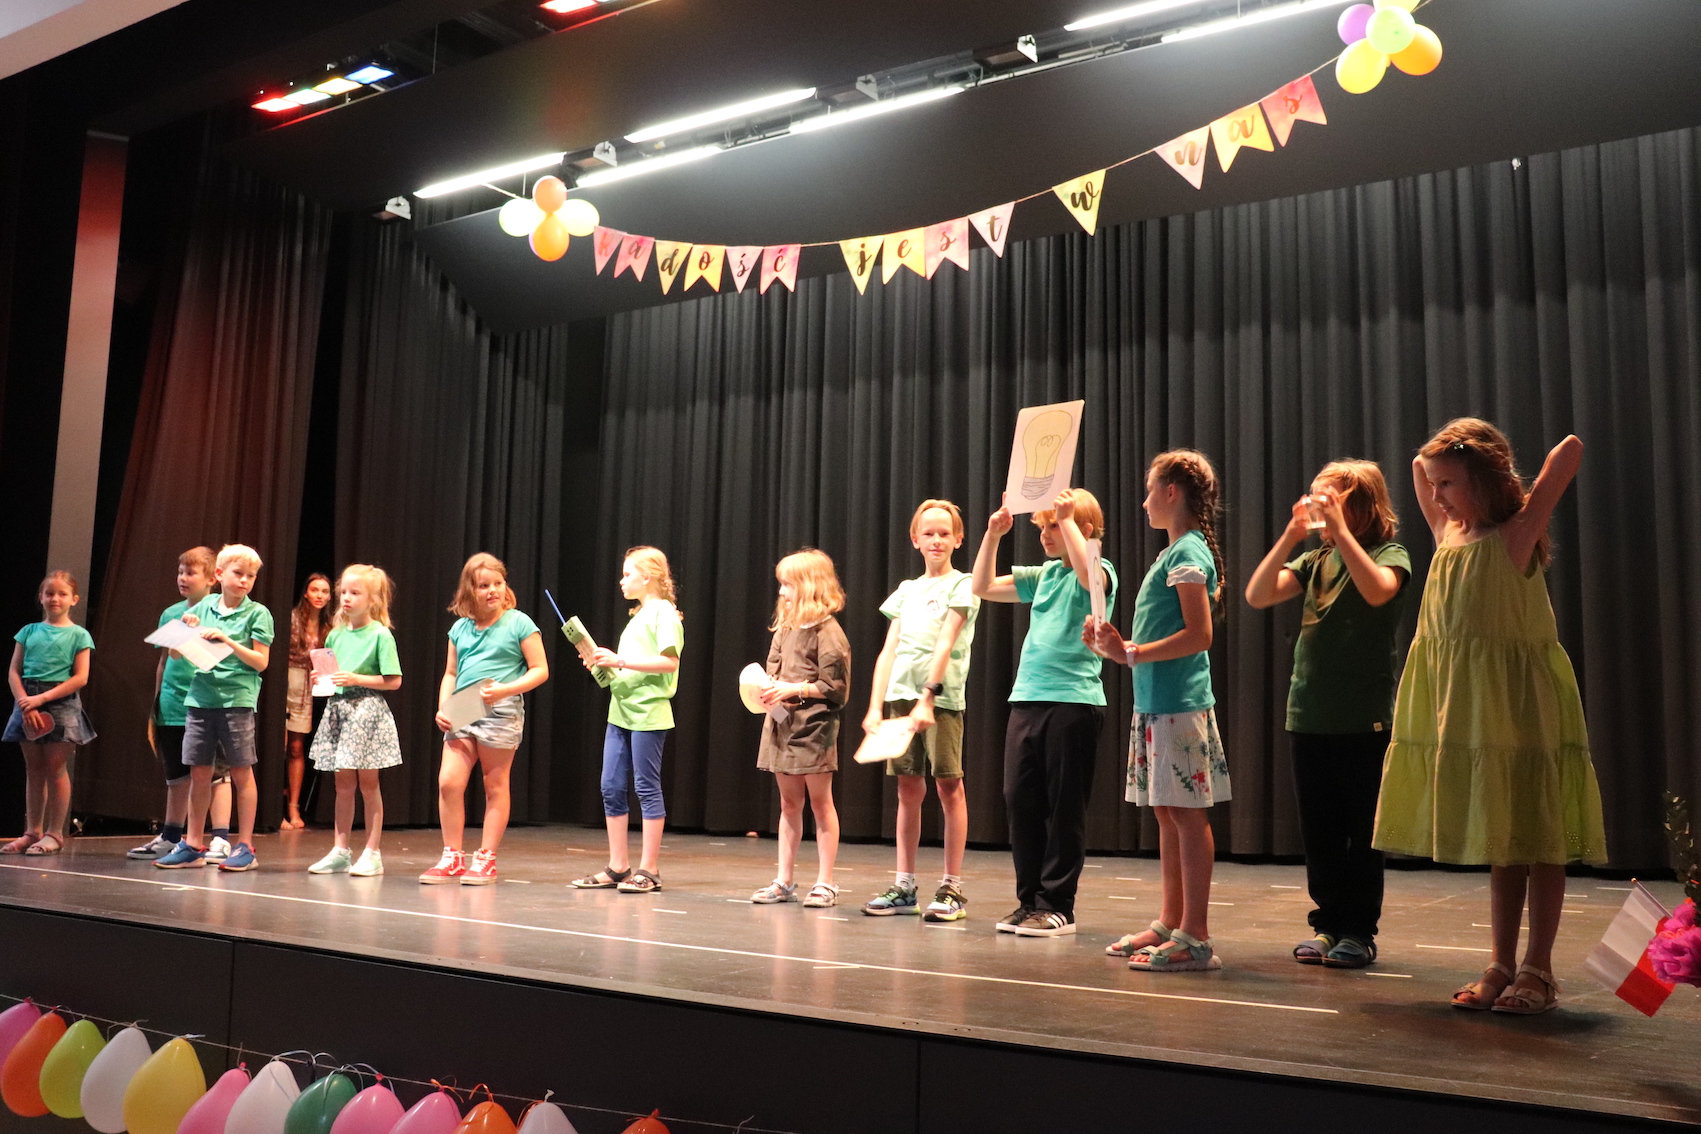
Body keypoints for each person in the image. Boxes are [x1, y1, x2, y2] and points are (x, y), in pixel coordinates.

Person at [1374, 419, 1605, 1014]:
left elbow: (1570, 450)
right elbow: (1418, 467)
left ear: (1482, 479)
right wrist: (1443, 461)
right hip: (1474, 706)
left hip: (1520, 702)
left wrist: (1476, 453)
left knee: (1542, 835)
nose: (1438, 494)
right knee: (1505, 837)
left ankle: (1538, 967)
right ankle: (1502, 962)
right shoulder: (1445, 532)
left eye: (1450, 483)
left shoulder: (1517, 532)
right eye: (1436, 485)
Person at [1244, 460, 1410, 969]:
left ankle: (1358, 931)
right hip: (1309, 715)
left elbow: (1378, 590)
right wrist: (1291, 536)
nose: (1318, 508)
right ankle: (1328, 924)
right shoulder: (1314, 559)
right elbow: (1258, 594)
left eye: (1329, 499)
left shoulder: (1387, 553)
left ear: (1359, 503)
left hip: (1362, 719)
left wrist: (1342, 531)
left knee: (1362, 833)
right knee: (1320, 834)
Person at [1089, 451, 1229, 971]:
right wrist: (1114, 646)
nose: (1145, 502)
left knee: (1186, 815)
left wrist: (1131, 652)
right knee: (1167, 812)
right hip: (1156, 704)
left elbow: (1199, 635)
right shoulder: (1173, 553)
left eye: (1151, 491)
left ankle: (1196, 935)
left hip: (1179, 704)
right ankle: (1172, 921)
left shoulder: (1188, 552)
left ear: (1172, 492)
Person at [973, 488, 1116, 937]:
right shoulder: (1045, 575)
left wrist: (1068, 520)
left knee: (1064, 806)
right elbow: (982, 587)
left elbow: (1090, 579)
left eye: (1053, 525)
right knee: (1020, 800)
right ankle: (1030, 900)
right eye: (1043, 527)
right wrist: (993, 535)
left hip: (1073, 701)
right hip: (1028, 699)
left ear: (1083, 528)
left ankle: (1058, 905)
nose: (1045, 534)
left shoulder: (1099, 568)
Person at [861, 500, 980, 922]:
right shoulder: (907, 589)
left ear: (958, 539)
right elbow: (889, 650)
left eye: (944, 533)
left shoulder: (963, 584)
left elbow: (946, 641)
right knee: (908, 789)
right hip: (900, 698)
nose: (936, 540)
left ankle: (951, 887)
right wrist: (874, 707)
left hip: (939, 701)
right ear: (915, 539)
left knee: (949, 785)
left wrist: (928, 697)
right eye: (928, 533)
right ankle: (905, 885)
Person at [422, 553, 548, 886]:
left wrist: (506, 689)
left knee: (495, 785)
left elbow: (540, 670)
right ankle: (452, 856)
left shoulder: (519, 623)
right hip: (464, 707)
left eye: (498, 583)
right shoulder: (460, 628)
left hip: (500, 708)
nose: (492, 590)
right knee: (449, 783)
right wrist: (444, 706)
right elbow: (451, 673)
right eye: (483, 585)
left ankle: (486, 858)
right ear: (470, 590)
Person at [572, 547, 683, 894]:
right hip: (620, 711)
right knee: (611, 785)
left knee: (646, 787)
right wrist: (603, 664)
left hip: (648, 712)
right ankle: (619, 865)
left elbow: (669, 662)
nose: (622, 581)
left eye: (627, 574)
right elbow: (629, 665)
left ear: (647, 577)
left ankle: (650, 869)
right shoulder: (639, 615)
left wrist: (619, 661)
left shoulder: (664, 613)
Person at [156, 544, 273, 872]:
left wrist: (229, 641)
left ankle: (245, 845)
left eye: (251, 576)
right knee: (199, 773)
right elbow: (176, 655)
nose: (245, 580)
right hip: (200, 699)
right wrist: (185, 630)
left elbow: (261, 662)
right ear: (219, 574)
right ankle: (193, 843)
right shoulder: (204, 606)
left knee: (240, 772)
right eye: (238, 573)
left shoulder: (257, 613)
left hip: (236, 701)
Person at [750, 549, 850, 908]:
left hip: (814, 729)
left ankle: (826, 882)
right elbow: (772, 671)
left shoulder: (829, 632)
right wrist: (766, 690)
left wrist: (795, 689)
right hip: (783, 725)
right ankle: (784, 880)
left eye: (788, 585)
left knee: (821, 804)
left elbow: (835, 689)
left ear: (809, 586)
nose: (781, 592)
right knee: (789, 804)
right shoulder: (786, 628)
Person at [128, 547, 235, 863]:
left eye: (191, 573)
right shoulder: (170, 614)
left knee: (215, 774)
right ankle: (171, 836)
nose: (183, 578)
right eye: (180, 572)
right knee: (175, 774)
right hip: (173, 704)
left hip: (206, 703)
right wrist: (158, 699)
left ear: (212, 578)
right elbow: (164, 660)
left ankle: (220, 839)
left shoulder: (221, 613)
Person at [306, 565, 403, 877]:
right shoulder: (335, 634)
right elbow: (333, 675)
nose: (346, 598)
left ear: (372, 599)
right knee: (343, 784)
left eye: (355, 593)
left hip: (366, 710)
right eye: (344, 592)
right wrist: (321, 679)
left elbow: (394, 680)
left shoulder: (380, 635)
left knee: (368, 784)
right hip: (339, 708)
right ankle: (341, 849)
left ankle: (372, 852)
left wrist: (356, 678)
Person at [1, 571, 96, 856]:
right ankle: (32, 831)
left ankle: (55, 833)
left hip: (60, 702)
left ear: (74, 599)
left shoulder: (79, 635)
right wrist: (25, 701)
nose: (55, 598)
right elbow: (14, 671)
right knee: (34, 768)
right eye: (49, 593)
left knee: (56, 768)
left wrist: (41, 699)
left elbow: (80, 677)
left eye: (62, 594)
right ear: (41, 598)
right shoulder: (28, 631)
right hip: (27, 701)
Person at [283, 574, 333, 829]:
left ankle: (294, 807)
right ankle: (276, 809)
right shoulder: (291, 618)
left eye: (324, 591)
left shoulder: (329, 626)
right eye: (315, 590)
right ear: (306, 592)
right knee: (280, 746)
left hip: (309, 686)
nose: (319, 595)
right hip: (286, 681)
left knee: (296, 747)